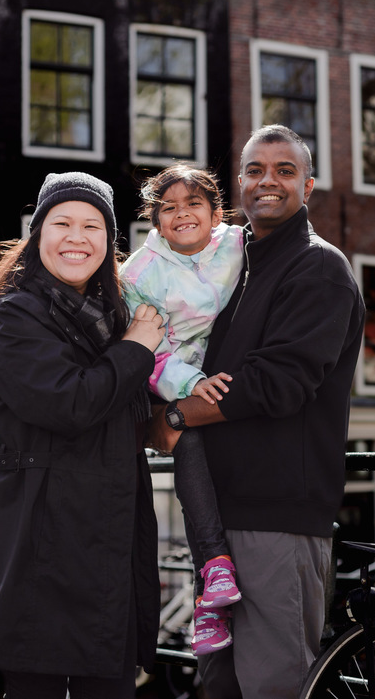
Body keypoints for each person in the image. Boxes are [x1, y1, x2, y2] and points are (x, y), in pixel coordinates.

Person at [150, 125, 367, 699]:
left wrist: (173, 419)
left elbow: (279, 385)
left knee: (275, 685)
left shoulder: (317, 267)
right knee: (218, 687)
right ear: (240, 184)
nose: (267, 181)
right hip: (218, 521)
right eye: (254, 170)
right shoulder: (233, 264)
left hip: (277, 517)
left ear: (309, 185)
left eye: (285, 170)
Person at [0, 171, 168, 699]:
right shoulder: (10, 314)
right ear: (37, 234)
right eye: (63, 223)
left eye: (93, 225)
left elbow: (122, 408)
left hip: (105, 541)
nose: (78, 237)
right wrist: (138, 347)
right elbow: (69, 403)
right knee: (37, 686)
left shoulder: (113, 314)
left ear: (109, 240)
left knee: (112, 686)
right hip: (39, 544)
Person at [119, 163, 245, 655]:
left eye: (193, 203)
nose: (181, 214)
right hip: (171, 378)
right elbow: (147, 350)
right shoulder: (139, 275)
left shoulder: (240, 244)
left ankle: (211, 604)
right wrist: (192, 384)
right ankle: (212, 571)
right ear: (155, 221)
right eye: (168, 208)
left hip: (223, 367)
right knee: (188, 439)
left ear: (216, 212)